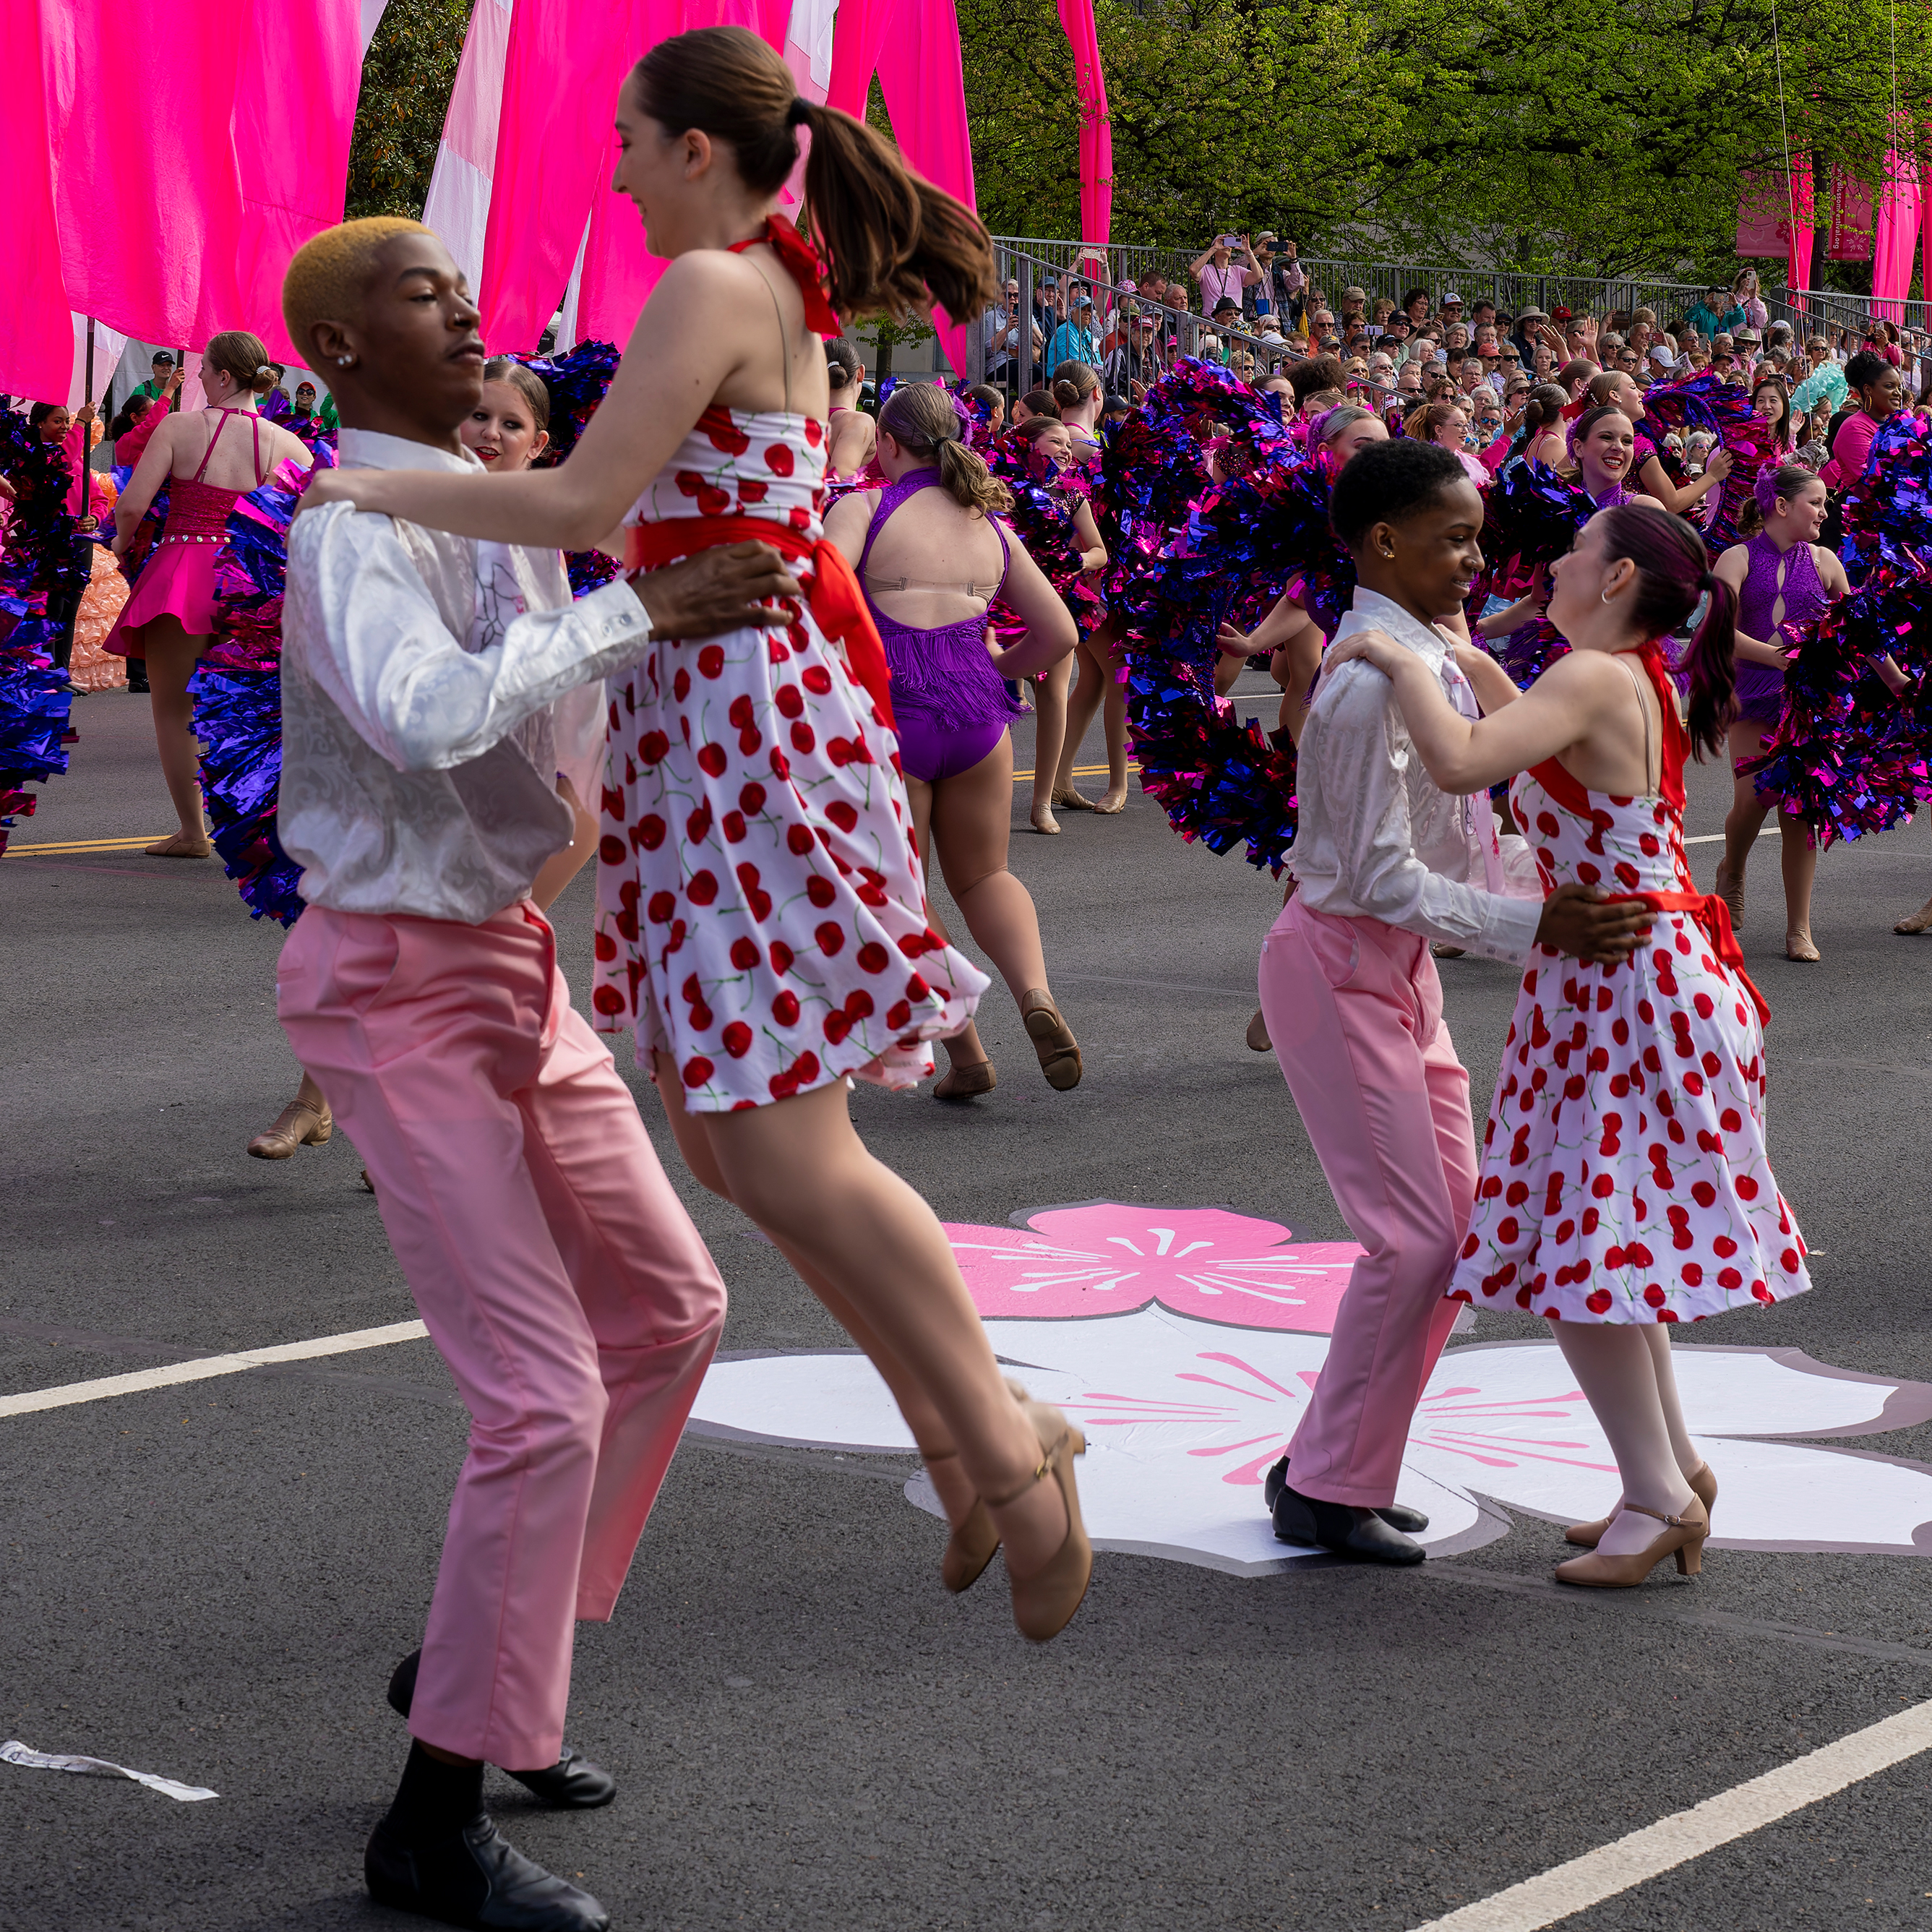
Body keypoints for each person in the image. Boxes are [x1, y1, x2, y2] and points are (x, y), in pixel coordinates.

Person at [305, 22, 1094, 1714]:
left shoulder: (716, 286)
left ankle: (1007, 1436)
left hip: (740, 714)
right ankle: (973, 1442)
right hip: (720, 706)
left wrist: (376, 491)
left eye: (624, 138)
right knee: (744, 1147)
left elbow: (586, 492)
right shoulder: (759, 283)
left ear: (692, 150)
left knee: (783, 1146)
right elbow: (623, 516)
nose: (607, 167)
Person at [273, 214, 804, 1932]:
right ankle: (430, 1819)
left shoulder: (494, 501)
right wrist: (633, 608)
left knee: (670, 1309)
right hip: (392, 981)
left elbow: (558, 733)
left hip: (508, 960)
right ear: (344, 349)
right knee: (537, 1391)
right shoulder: (357, 518)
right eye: (425, 296)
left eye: (460, 288)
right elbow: (426, 715)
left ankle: (481, 1656)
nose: (469, 313)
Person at [1325, 500, 1811, 1587]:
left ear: (1621, 578)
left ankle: (1656, 1494)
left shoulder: (1592, 678)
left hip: (1623, 991)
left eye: (1577, 550)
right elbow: (1528, 740)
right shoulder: (1623, 672)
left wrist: (1396, 659)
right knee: (1612, 1244)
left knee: (1583, 1254)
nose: (1552, 563)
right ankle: (1670, 1473)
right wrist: (1456, 655)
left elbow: (1457, 762)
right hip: (1641, 982)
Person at [1258, 438, 1653, 1564]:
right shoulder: (1357, 682)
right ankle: (1327, 1482)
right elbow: (1378, 878)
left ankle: (1334, 1464)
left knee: (1456, 1237)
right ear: (1384, 542)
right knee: (1416, 1241)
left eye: (1476, 536)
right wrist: (1539, 926)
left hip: (1399, 973)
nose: (1476, 560)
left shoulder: (1431, 649)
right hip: (1337, 967)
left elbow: (1474, 816)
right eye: (1456, 538)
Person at [823, 381, 1081, 1099]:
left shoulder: (864, 507)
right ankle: (1035, 993)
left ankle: (969, 1055)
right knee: (985, 877)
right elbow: (1060, 632)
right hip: (976, 717)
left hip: (889, 714)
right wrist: (1002, 664)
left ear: (888, 444)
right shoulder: (991, 526)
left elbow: (815, 593)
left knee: (904, 893)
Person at [106, 331, 314, 854]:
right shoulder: (287, 444)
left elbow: (131, 505)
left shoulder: (180, 426)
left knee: (174, 713)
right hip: (251, 585)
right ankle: (262, 830)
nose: (196, 376)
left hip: (180, 573)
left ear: (224, 376)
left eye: (204, 370)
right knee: (253, 712)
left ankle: (193, 833)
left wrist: (121, 544)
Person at [1709, 465, 1856, 962]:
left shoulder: (1824, 561)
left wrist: (1897, 678)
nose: (1823, 510)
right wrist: (1771, 657)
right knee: (1753, 799)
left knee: (1799, 812)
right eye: (1815, 502)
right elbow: (1717, 629)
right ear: (1781, 506)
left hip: (1808, 703)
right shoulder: (1735, 558)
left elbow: (1860, 633)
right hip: (1752, 694)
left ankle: (1799, 927)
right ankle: (1732, 868)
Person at [1821, 348, 1904, 489]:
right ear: (1868, 390)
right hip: (1867, 508)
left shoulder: (1896, 423)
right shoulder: (1854, 428)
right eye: (1889, 386)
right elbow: (1876, 482)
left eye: (1899, 387)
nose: (1898, 394)